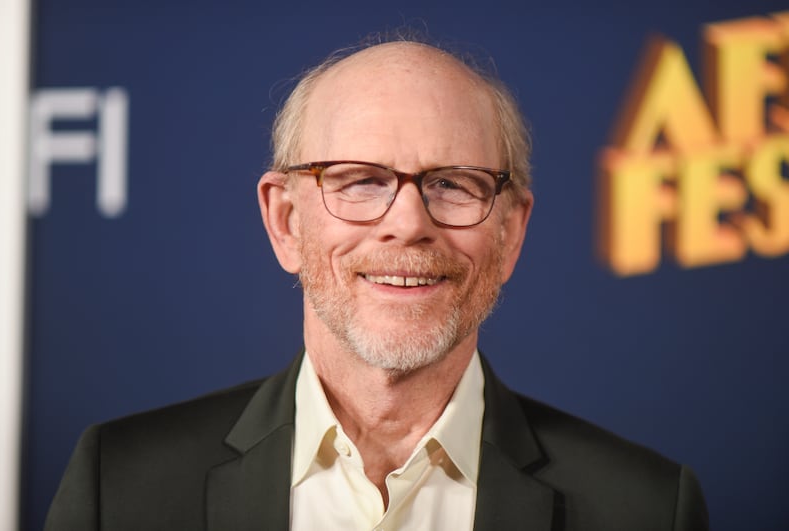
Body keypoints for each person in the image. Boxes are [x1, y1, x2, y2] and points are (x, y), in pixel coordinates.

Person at [45, 37, 709, 531]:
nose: (409, 224)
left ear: (510, 233)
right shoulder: (123, 486)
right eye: (360, 180)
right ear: (285, 221)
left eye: (453, 183)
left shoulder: (646, 508)